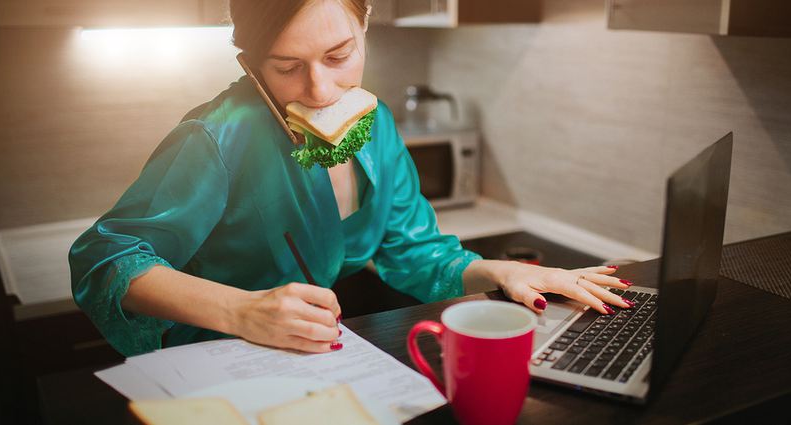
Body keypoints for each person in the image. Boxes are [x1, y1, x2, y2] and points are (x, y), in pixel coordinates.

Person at [69, 0, 635, 357]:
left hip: (304, 359)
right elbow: (105, 259)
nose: (319, 91)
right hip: (209, 365)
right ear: (251, 64)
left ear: (365, 24)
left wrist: (501, 270)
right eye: (286, 68)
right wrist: (240, 310)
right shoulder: (216, 137)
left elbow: (418, 255)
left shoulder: (377, 123)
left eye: (339, 56)